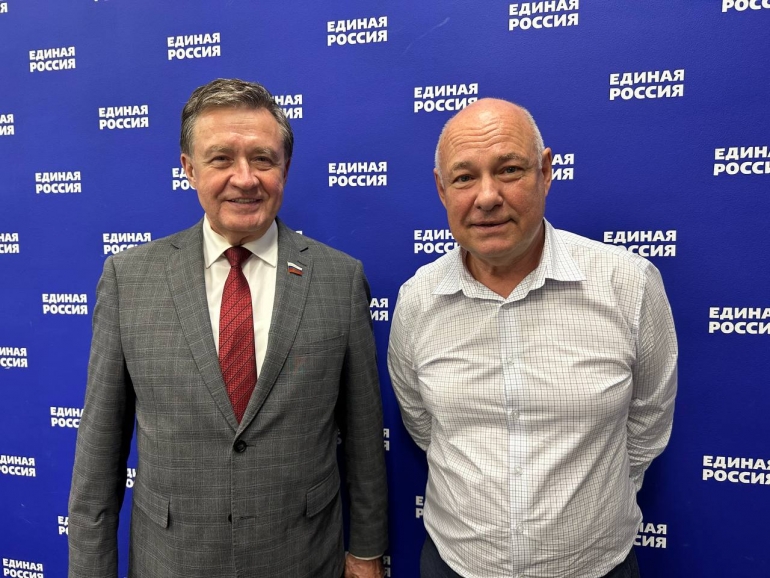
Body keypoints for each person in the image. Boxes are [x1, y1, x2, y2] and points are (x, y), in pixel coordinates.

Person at [68, 78, 388, 578]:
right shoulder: (128, 280)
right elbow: (99, 450)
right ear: (189, 169)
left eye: (263, 159)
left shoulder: (339, 279)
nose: (245, 178)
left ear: (285, 168)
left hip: (303, 559)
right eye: (221, 159)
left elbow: (365, 436)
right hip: (172, 562)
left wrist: (366, 553)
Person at [388, 98, 677, 578]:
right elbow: (422, 423)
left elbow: (647, 422)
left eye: (509, 170)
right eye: (464, 177)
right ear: (441, 189)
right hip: (455, 565)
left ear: (545, 172)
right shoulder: (417, 300)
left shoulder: (629, 284)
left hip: (594, 567)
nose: (486, 197)